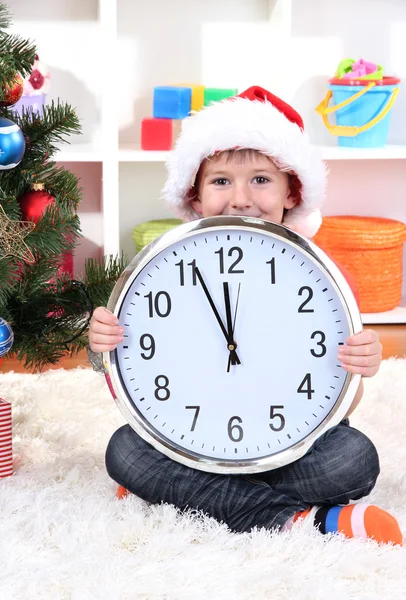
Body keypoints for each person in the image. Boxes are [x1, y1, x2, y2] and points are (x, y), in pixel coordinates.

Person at [89, 86, 402, 545]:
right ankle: (302, 522)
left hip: (288, 443)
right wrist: (101, 346)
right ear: (194, 198)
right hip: (187, 443)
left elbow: (341, 402)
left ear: (291, 192)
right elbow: (126, 369)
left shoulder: (321, 275)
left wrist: (362, 365)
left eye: (260, 180)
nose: (240, 198)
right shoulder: (164, 269)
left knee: (352, 460)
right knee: (125, 451)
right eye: (220, 181)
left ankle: (178, 495)